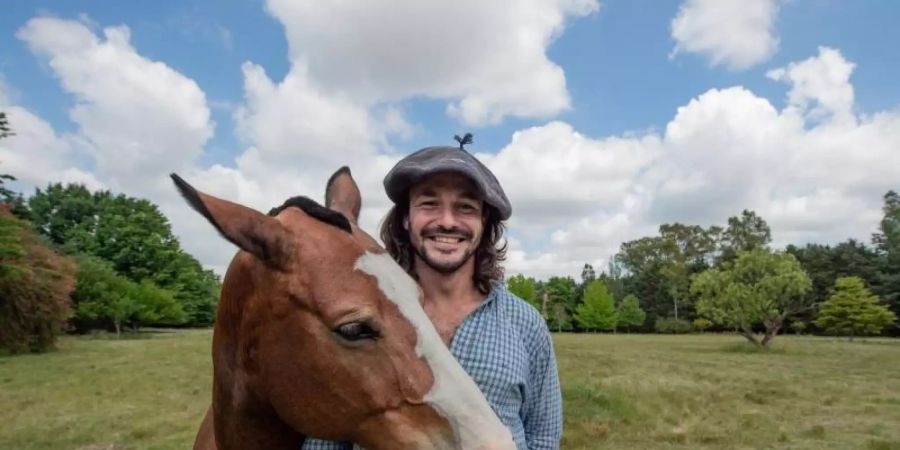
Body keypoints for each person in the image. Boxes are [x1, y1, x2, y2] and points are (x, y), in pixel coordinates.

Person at [303, 139, 562, 450]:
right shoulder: (358, 318)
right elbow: (327, 438)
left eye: (465, 207)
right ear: (405, 218)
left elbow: (543, 438)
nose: (447, 221)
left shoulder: (525, 324)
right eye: (429, 204)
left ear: (484, 224)